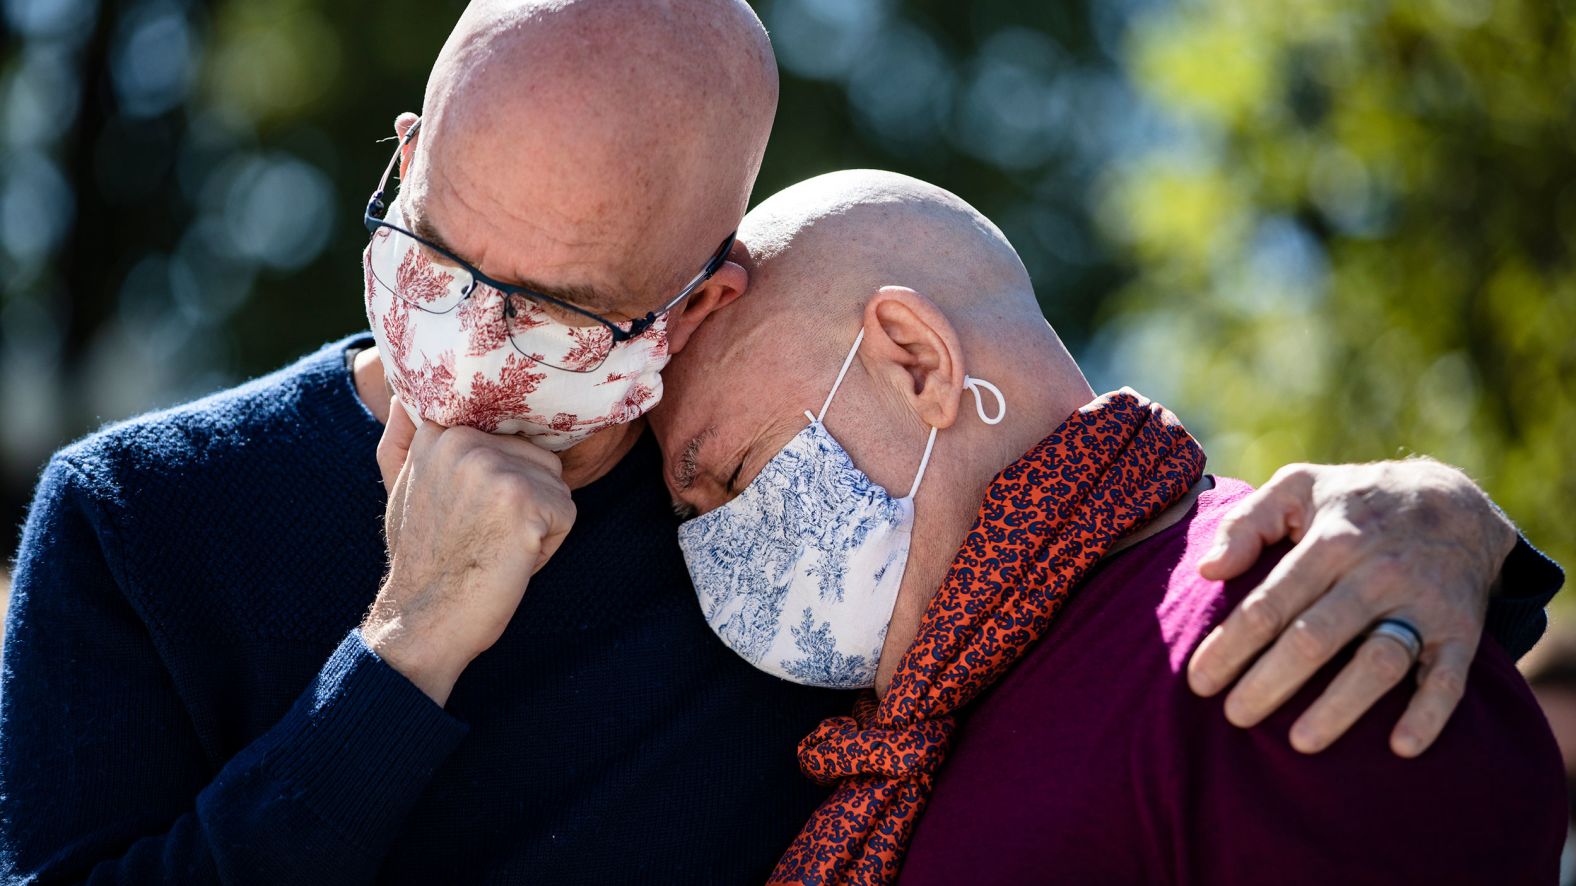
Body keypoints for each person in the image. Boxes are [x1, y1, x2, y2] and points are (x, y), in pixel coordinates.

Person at [0, 1, 1559, 882]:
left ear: (696, 303)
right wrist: (397, 661)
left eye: (557, 316)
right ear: (408, 152)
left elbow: (1089, 600)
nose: (464, 360)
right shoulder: (135, 520)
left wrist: (1434, 518)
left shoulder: (774, 568)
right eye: (432, 257)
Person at [647, 169, 1567, 884]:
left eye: (730, 479)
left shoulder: (1294, 620)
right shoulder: (865, 745)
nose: (712, 550)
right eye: (687, 517)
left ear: (917, 362)